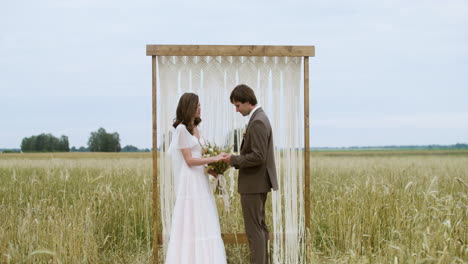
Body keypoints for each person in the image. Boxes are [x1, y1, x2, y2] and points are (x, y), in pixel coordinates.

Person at [165, 92, 227, 264]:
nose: (200, 108)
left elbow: (199, 158)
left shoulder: (196, 129)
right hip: (190, 180)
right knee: (191, 218)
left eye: (200, 105)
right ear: (189, 107)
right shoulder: (181, 129)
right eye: (197, 105)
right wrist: (214, 159)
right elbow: (189, 160)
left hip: (201, 179)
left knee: (204, 218)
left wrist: (213, 169)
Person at [222, 84, 279, 264]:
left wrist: (233, 160)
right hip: (257, 183)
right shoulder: (259, 118)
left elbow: (258, 156)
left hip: (254, 184)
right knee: (260, 229)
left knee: (255, 231)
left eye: (237, 105)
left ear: (247, 101)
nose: (237, 110)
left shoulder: (258, 121)